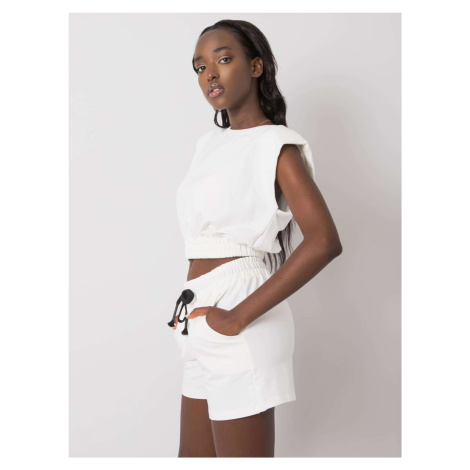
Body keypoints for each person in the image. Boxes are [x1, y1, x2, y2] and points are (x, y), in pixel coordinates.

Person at [167, 19, 343, 458]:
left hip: (240, 313)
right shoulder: (208, 145)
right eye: (200, 67)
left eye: (224, 59)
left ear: (256, 66)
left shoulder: (276, 145)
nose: (210, 74)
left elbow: (324, 240)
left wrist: (236, 317)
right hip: (197, 312)